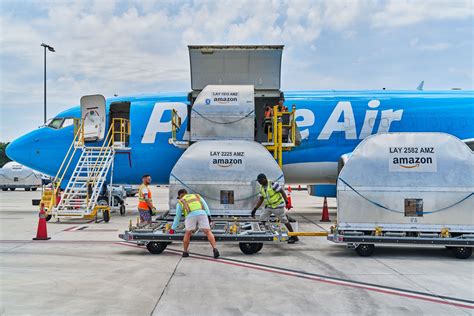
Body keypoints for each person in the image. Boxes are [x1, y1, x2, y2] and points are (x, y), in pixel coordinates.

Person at [170, 189, 220, 258]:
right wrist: (209, 216)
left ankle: (185, 252)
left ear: (180, 196)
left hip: (190, 215)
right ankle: (215, 249)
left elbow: (177, 217)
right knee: (208, 231)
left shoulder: (180, 201)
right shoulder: (197, 196)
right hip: (202, 213)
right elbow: (205, 206)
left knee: (188, 233)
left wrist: (173, 228)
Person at [251, 173, 299, 244]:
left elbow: (282, 191)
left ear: (265, 179)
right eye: (258, 181)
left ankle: (294, 236)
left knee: (284, 220)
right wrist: (254, 209)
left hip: (278, 206)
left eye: (260, 181)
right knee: (262, 218)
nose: (259, 182)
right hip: (269, 207)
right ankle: (263, 233)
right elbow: (261, 199)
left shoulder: (272, 184)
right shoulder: (262, 187)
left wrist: (286, 201)